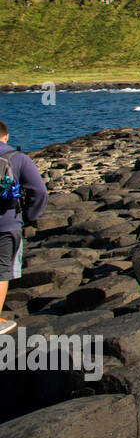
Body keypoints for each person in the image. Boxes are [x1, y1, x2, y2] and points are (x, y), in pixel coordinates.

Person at [0, 121, 49, 335]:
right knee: (2, 271)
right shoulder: (18, 158)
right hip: (7, 223)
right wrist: (28, 217)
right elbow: (39, 192)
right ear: (6, 136)